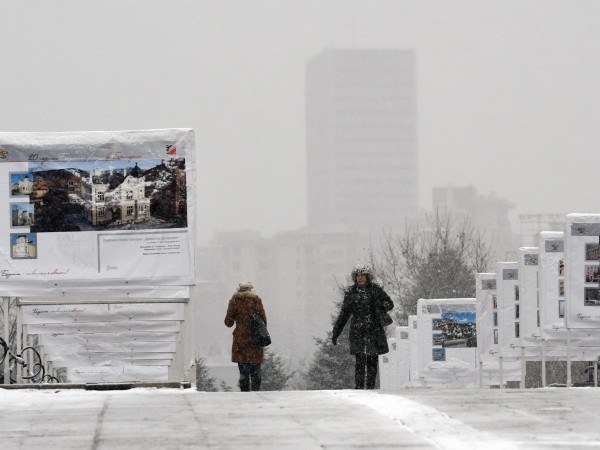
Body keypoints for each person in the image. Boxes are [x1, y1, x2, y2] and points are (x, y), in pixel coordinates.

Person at [331, 264, 394, 389]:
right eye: (357, 276)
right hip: (358, 330)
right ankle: (359, 387)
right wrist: (336, 332)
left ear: (367, 277)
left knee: (372, 359)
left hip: (374, 329)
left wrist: (381, 306)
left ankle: (370, 387)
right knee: (359, 359)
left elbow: (389, 304)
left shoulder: (376, 290)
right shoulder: (351, 293)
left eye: (362, 275)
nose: (359, 278)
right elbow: (344, 315)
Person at [224, 281, 267, 391]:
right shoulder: (256, 300)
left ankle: (245, 393)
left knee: (243, 370)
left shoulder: (234, 301)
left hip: (240, 339)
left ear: (238, 290)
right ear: (250, 290)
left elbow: (228, 323)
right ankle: (256, 392)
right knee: (256, 369)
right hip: (255, 338)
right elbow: (263, 320)